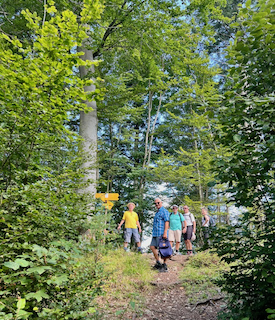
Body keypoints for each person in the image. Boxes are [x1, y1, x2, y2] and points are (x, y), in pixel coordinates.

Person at [150, 198, 170, 272]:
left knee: (163, 249)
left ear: (161, 202)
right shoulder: (157, 212)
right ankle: (158, 263)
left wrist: (165, 232)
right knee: (152, 247)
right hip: (155, 233)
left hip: (161, 233)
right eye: (155, 203)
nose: (157, 204)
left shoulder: (164, 211)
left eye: (158, 203)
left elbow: (167, 222)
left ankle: (164, 265)